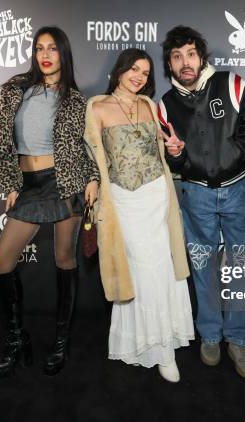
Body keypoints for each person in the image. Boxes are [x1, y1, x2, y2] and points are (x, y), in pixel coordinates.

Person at [0, 26, 99, 378]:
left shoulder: (76, 100)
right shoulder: (17, 90)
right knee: (1, 262)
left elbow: (89, 143)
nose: (45, 54)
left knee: (64, 257)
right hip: (29, 185)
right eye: (39, 48)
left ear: (63, 53)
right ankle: (16, 338)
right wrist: (11, 182)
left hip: (65, 182)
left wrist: (93, 177)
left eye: (52, 48)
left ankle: (61, 341)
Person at [84, 48, 194, 383]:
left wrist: (175, 149)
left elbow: (162, 150)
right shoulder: (97, 107)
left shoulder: (149, 105)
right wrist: (91, 182)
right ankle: (145, 344)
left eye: (145, 73)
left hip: (157, 196)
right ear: (120, 70)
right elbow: (90, 156)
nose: (138, 77)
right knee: (140, 269)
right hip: (124, 202)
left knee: (161, 268)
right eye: (133, 69)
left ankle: (165, 347)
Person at [159, 26, 245, 379]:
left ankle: (241, 340)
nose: (185, 62)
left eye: (189, 53)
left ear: (201, 56)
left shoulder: (232, 84)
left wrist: (232, 157)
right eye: (176, 56)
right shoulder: (165, 105)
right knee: (203, 268)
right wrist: (175, 157)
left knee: (242, 266)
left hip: (238, 189)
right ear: (169, 64)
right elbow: (172, 161)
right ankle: (211, 336)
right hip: (196, 194)